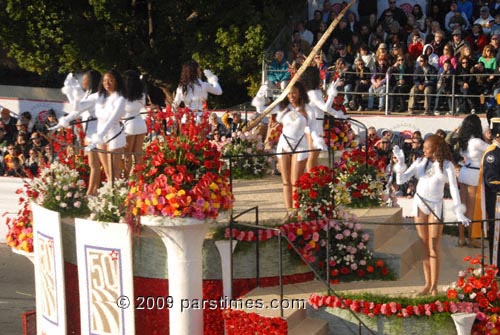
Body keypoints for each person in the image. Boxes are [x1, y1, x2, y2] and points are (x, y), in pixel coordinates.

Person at [392, 135, 470, 296]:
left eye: (427, 148)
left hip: (435, 205)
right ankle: (427, 284)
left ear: (435, 149)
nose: (424, 150)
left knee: (434, 245)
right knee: (423, 245)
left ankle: (434, 286)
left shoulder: (447, 165)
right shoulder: (420, 162)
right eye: (424, 148)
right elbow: (401, 180)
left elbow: (454, 189)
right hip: (420, 204)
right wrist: (400, 164)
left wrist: (459, 211)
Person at [276, 82, 318, 221]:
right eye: (288, 93)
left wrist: (313, 149)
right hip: (284, 144)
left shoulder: (308, 109)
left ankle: (297, 210)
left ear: (300, 93)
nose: (291, 96)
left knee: (296, 181)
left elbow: (312, 130)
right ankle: (289, 212)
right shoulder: (283, 108)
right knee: (286, 181)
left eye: (293, 92)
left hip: (300, 145)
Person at [56, 70, 102, 195]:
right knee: (93, 164)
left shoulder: (95, 95)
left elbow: (78, 107)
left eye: (86, 79)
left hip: (94, 132)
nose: (83, 81)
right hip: (90, 132)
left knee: (94, 165)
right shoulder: (89, 94)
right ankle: (93, 190)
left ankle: (91, 192)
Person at [299, 66, 344, 172]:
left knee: (314, 155)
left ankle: (312, 177)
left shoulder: (310, 91)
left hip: (314, 124)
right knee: (313, 155)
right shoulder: (313, 93)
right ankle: (310, 178)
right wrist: (332, 95)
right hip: (314, 125)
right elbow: (325, 108)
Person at [454, 115, 490, 248]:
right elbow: (492, 149)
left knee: (462, 206)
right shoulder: (476, 141)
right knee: (471, 208)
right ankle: (470, 238)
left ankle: (461, 237)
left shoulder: (464, 141)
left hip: (464, 172)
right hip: (473, 174)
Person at [85, 69, 127, 182]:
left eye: (110, 80)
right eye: (105, 81)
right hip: (101, 135)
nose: (107, 83)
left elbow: (112, 119)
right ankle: (109, 197)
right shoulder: (99, 97)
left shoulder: (120, 99)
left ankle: (117, 197)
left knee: (114, 173)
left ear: (117, 82)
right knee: (108, 172)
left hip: (114, 133)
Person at [475, 118, 500, 266]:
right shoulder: (493, 154)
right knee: (497, 237)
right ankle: (496, 268)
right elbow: (492, 181)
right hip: (497, 203)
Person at [122, 70, 147, 178]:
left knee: (127, 156)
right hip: (140, 122)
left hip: (129, 125)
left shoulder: (123, 95)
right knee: (138, 154)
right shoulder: (141, 94)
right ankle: (138, 180)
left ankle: (127, 179)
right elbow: (143, 105)